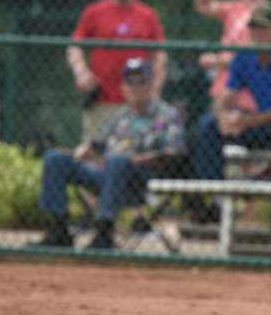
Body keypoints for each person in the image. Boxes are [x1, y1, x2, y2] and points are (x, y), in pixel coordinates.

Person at [33, 59, 186, 250]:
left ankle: (104, 234)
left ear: (150, 85)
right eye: (130, 81)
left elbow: (174, 152)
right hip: (106, 176)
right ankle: (59, 232)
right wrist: (76, 152)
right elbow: (96, 147)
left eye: (141, 81)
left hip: (140, 180)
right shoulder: (120, 115)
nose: (135, 86)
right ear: (123, 87)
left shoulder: (166, 114)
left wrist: (136, 160)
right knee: (55, 158)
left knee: (118, 161)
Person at [195, 4, 271, 227]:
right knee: (208, 125)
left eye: (264, 28)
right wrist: (224, 118)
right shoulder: (244, 55)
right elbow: (226, 96)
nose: (258, 33)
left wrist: (247, 121)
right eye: (254, 28)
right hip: (263, 123)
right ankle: (214, 200)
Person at [68, 0, 167, 141]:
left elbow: (159, 55)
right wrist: (81, 72)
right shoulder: (95, 11)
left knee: (133, 151)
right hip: (102, 99)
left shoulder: (148, 15)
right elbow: (74, 47)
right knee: (95, 154)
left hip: (137, 101)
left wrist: (156, 89)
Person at [194, 0, 271, 113]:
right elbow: (201, 4)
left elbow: (252, 57)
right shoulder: (235, 7)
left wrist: (216, 59)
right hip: (223, 87)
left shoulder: (266, 13)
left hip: (246, 92)